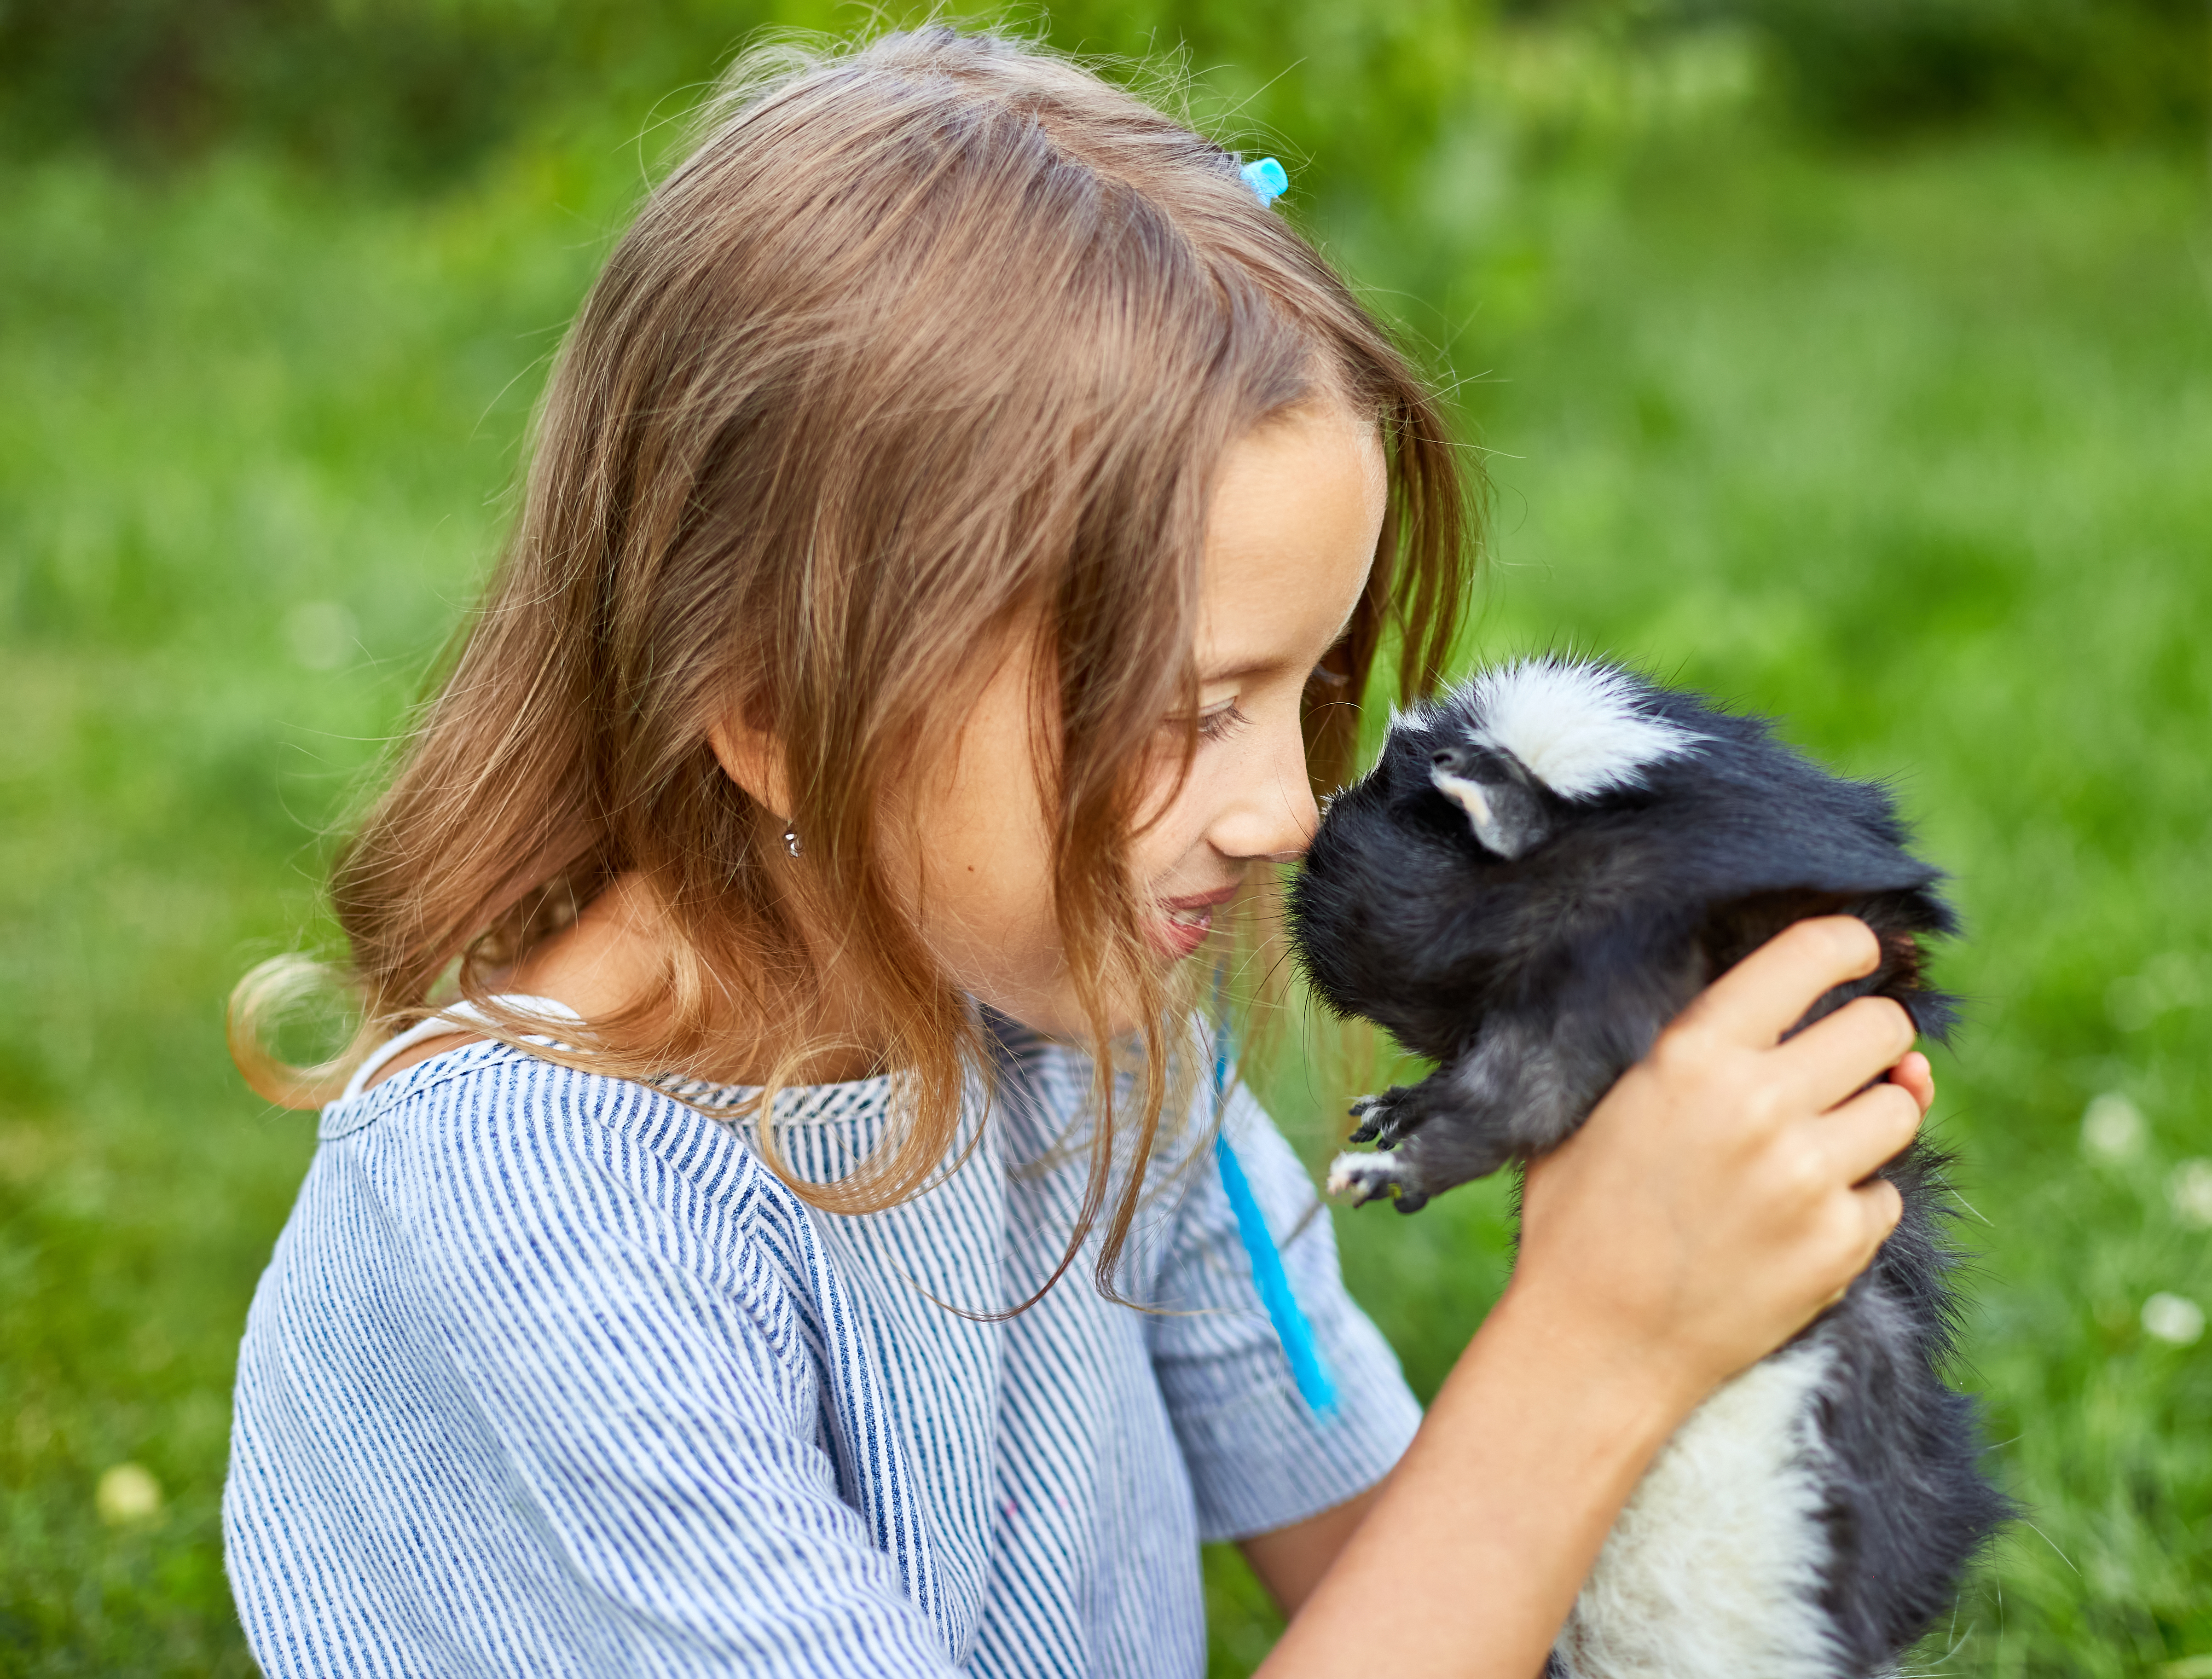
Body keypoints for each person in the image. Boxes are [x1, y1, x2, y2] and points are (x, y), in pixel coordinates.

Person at [221, 26, 1931, 1679]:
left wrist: (1679, 1243)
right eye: (1187, 714)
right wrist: (1589, 1352)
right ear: (775, 718)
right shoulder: (548, 1213)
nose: (1284, 812)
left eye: (1308, 686)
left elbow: (1422, 1594)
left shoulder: (1092, 1044)